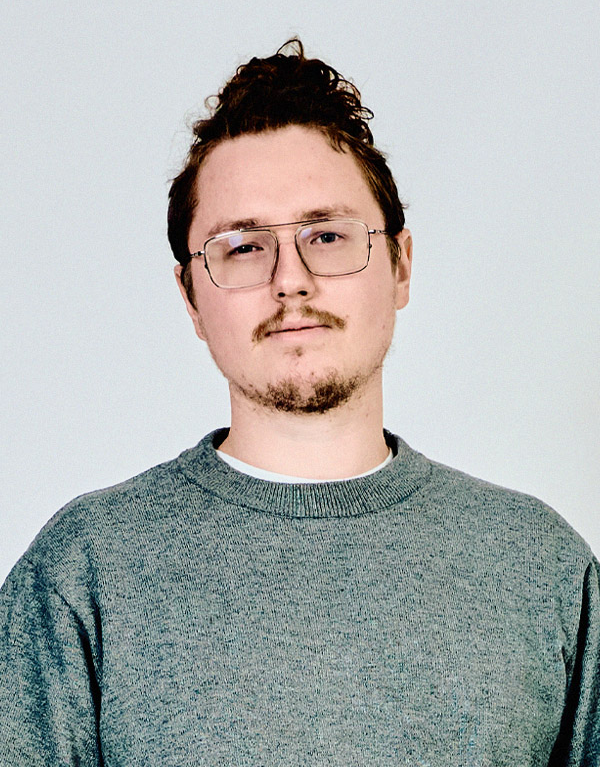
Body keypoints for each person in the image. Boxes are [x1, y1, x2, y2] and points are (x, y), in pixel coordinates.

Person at [0, 40, 598, 766]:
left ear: (400, 265)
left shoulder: (540, 564)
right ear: (190, 297)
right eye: (244, 247)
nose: (292, 279)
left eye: (327, 235)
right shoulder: (83, 571)